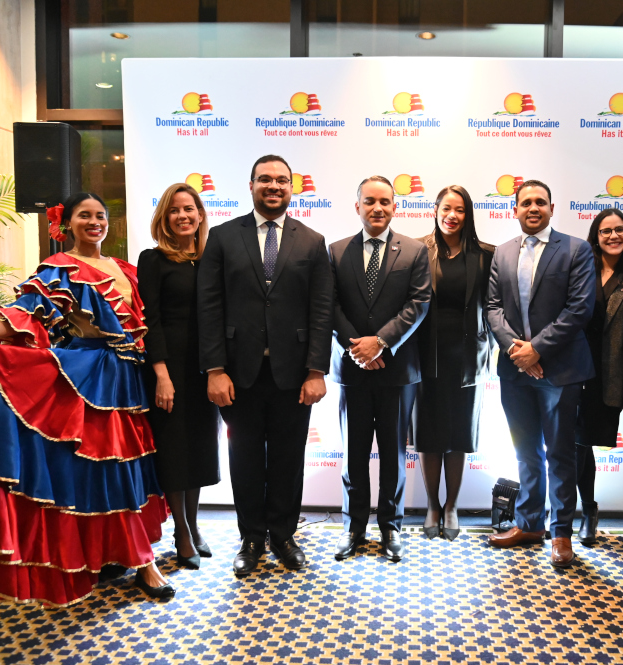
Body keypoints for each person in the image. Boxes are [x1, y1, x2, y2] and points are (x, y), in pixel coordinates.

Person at [0, 192, 173, 603]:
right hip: (94, 380)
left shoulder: (124, 267)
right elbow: (25, 314)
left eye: (100, 215)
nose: (94, 222)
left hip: (132, 381)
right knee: (108, 471)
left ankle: (117, 552)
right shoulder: (59, 267)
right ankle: (145, 564)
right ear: (66, 224)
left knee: (133, 469)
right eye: (84, 215)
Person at [197, 155, 333, 575]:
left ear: (292, 188)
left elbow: (321, 310)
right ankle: (252, 537)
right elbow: (209, 306)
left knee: (289, 460)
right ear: (251, 185)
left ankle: (284, 536)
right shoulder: (222, 237)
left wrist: (316, 370)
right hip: (239, 375)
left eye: (282, 180)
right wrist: (215, 369)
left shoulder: (312, 241)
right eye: (265, 179)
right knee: (245, 459)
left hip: (294, 375)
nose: (274, 186)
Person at [485, 179, 596, 568]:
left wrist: (538, 349)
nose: (533, 208)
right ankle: (529, 524)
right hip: (515, 370)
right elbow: (493, 308)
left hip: (560, 370)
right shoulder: (502, 252)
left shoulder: (576, 249)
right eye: (526, 202)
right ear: (514, 209)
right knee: (525, 451)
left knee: (560, 453)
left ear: (552, 208)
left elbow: (580, 308)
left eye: (540, 202)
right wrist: (518, 351)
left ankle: (561, 533)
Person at [328, 175, 430, 563]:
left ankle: (391, 527)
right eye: (369, 201)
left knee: (392, 455)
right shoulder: (336, 251)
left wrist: (381, 342)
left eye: (385, 201)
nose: (377, 208)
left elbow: (418, 304)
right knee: (354, 455)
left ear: (394, 207)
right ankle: (353, 527)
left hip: (397, 371)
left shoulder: (415, 251)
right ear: (357, 206)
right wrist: (358, 347)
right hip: (353, 369)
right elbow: (330, 306)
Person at [138, 183, 220, 570]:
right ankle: (181, 533)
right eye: (174, 210)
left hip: (205, 368)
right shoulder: (152, 260)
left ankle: (194, 524)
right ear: (164, 218)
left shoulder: (210, 259)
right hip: (168, 368)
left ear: (201, 215)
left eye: (189, 209)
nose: (182, 216)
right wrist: (161, 373)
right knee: (174, 450)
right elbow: (149, 320)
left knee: (199, 448)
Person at [413, 185, 495, 541]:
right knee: (429, 434)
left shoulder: (486, 255)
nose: (452, 215)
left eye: (459, 209)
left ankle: (452, 505)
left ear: (468, 214)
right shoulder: (418, 249)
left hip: (467, 358)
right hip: (425, 356)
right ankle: (432, 504)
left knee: (459, 434)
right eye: (446, 208)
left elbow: (494, 307)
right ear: (435, 210)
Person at [574, 209, 623, 546]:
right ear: (596, 236)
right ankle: (578, 510)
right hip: (572, 367)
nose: (613, 236)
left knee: (585, 439)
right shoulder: (579, 270)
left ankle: (588, 510)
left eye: (619, 230)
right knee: (572, 442)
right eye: (606, 231)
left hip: (610, 373)